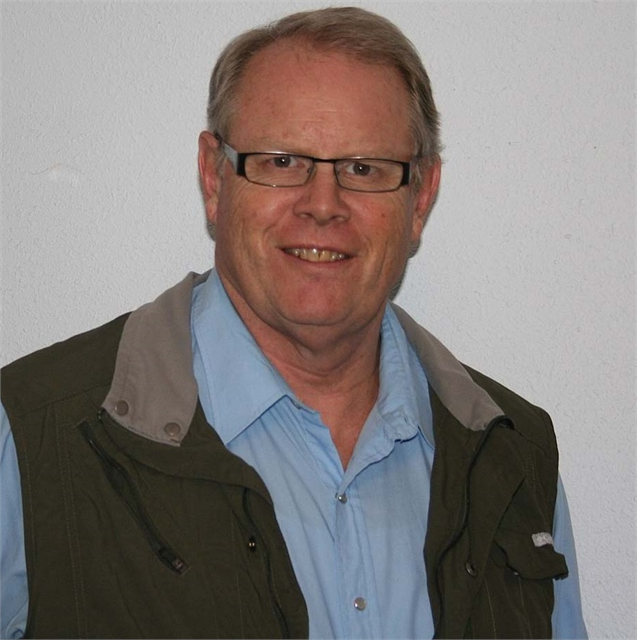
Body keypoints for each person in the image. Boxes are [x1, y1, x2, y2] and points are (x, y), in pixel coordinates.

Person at [0, 6, 587, 639]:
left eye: (364, 168)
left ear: (419, 198)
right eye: (281, 161)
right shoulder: (32, 437)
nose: (323, 205)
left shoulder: (513, 456)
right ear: (213, 177)